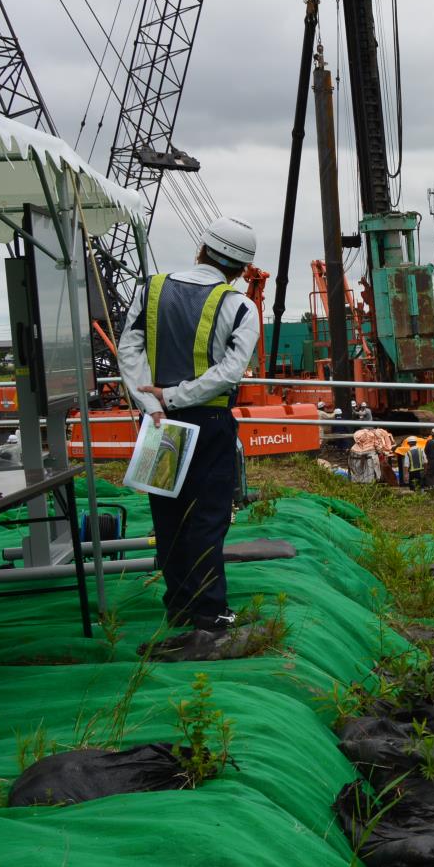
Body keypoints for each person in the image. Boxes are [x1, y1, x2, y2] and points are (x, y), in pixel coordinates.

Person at [118, 215, 260, 631]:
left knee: (167, 517)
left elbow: (129, 350)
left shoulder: (150, 289)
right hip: (210, 423)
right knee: (208, 517)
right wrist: (176, 396)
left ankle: (179, 606)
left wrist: (153, 404)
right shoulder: (241, 306)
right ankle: (209, 611)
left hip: (158, 423)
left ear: (201, 249)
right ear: (243, 269)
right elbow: (230, 372)